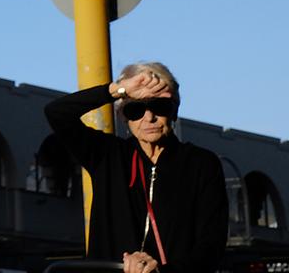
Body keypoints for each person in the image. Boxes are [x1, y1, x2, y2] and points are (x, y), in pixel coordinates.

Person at [45, 62, 228, 273]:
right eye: (136, 109)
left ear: (175, 111)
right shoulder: (107, 155)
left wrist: (160, 271)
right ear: (124, 117)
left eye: (160, 107)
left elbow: (211, 245)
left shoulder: (202, 164)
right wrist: (118, 90)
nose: (148, 118)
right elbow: (57, 113)